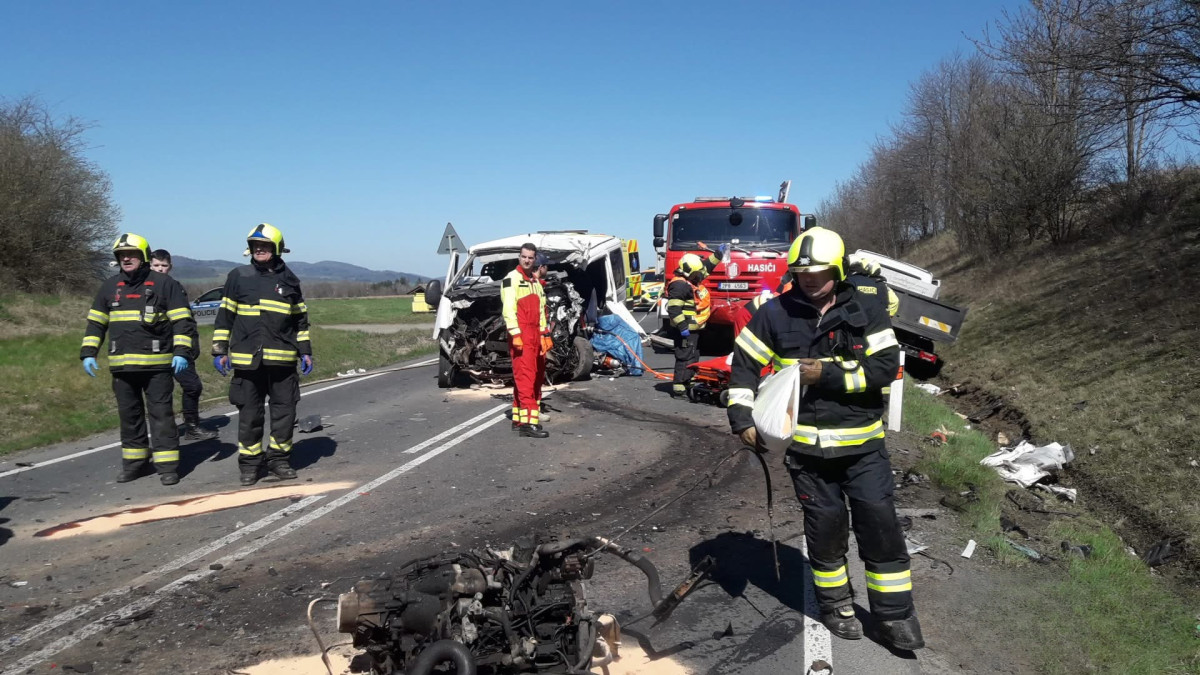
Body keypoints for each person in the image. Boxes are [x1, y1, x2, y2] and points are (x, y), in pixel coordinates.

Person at [725, 227, 924, 650]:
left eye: (817, 271)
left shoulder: (867, 306)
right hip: (807, 453)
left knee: (880, 526)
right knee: (826, 529)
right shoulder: (774, 313)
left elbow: (884, 367)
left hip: (863, 448)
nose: (809, 278)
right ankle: (836, 606)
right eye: (801, 272)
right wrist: (741, 418)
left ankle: (894, 616)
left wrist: (827, 374)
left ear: (837, 269)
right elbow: (742, 368)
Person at [80, 233, 197, 486]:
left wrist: (181, 352)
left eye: (131, 254)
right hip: (122, 368)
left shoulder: (165, 284)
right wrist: (88, 353)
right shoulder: (110, 286)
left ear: (144, 257)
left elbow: (182, 322)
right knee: (129, 417)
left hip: (157, 366)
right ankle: (135, 464)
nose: (126, 259)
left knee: (161, 417)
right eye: (122, 255)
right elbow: (95, 324)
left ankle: (167, 467)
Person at [212, 223, 314, 486]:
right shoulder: (239, 276)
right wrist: (220, 349)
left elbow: (300, 321)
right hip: (248, 361)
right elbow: (225, 316)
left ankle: (279, 460)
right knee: (250, 415)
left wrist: (305, 351)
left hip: (282, 360)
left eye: (265, 246)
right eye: (255, 246)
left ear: (277, 249)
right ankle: (250, 465)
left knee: (285, 414)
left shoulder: (290, 280)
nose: (259, 250)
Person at [149, 249, 219, 442]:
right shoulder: (146, 289)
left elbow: (185, 321)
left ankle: (190, 425)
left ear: (170, 267)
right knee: (171, 390)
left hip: (181, 349)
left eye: (164, 266)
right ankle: (181, 428)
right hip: (161, 350)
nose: (160, 269)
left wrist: (190, 346)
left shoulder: (174, 286)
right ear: (149, 266)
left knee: (192, 387)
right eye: (156, 265)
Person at [502, 243, 552, 438]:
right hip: (521, 335)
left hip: (535, 337)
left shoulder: (535, 282)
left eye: (531, 257)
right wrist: (515, 334)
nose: (527, 260)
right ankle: (528, 425)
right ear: (519, 257)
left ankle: (519, 418)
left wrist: (544, 334)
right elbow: (508, 310)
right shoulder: (511, 280)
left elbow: (541, 312)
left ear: (535, 259)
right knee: (526, 379)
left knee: (536, 377)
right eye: (524, 257)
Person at [664, 244, 728, 398]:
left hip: (695, 328)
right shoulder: (679, 286)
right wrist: (682, 326)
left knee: (693, 355)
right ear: (689, 272)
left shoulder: (690, 279)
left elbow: (706, 267)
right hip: (685, 330)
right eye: (696, 273)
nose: (700, 275)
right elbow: (673, 309)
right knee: (684, 356)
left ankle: (689, 380)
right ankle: (679, 387)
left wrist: (718, 255)